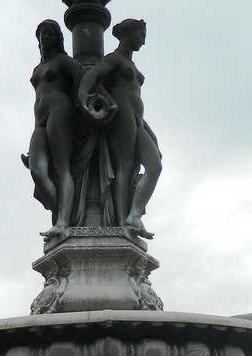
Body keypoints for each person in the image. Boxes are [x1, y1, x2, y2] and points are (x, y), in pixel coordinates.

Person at [77, 18, 162, 239]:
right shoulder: (114, 59)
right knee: (125, 165)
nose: (143, 41)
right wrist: (86, 96)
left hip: (137, 118)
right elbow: (91, 77)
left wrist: (151, 134)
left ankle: (134, 214)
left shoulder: (131, 65)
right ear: (128, 33)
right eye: (141, 35)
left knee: (155, 164)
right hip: (123, 115)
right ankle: (124, 219)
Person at [25, 19, 82, 244]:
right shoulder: (38, 68)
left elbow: (85, 78)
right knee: (37, 170)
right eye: (43, 34)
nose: (46, 37)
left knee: (61, 167)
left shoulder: (63, 61)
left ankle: (63, 222)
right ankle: (61, 213)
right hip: (39, 118)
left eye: (50, 33)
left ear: (57, 38)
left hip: (59, 109)